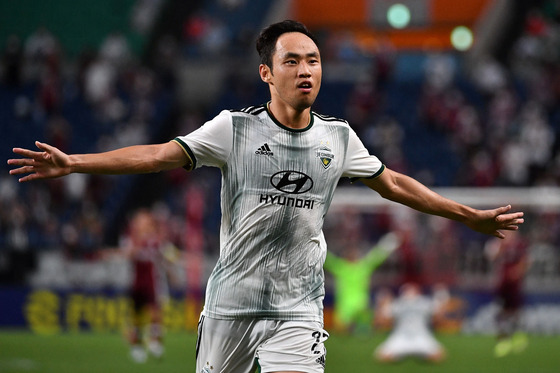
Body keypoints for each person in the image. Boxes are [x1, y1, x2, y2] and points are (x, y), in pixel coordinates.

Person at [8, 20, 524, 373]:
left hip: (299, 307)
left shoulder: (338, 138)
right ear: (266, 73)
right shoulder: (232, 130)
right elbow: (159, 155)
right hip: (231, 303)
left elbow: (393, 183)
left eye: (314, 61)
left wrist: (467, 215)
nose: (307, 70)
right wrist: (75, 163)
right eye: (294, 61)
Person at [103, 208, 179, 363]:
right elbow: (128, 253)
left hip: (151, 282)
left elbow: (165, 256)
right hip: (136, 283)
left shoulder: (155, 240)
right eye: (140, 221)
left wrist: (172, 273)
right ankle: (136, 347)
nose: (143, 224)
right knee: (136, 317)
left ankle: (154, 342)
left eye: (145, 221)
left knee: (155, 312)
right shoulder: (130, 238)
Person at [324, 232, 399, 334]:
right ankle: (360, 327)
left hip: (351, 305)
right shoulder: (357, 267)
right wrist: (389, 243)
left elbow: (327, 259)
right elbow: (376, 256)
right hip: (354, 304)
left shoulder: (344, 268)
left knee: (345, 330)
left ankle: (359, 327)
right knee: (346, 329)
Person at [373, 283, 447, 363]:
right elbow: (382, 321)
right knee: (382, 356)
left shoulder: (424, 302)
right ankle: (406, 354)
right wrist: (382, 305)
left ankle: (413, 353)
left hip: (421, 336)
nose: (410, 293)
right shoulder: (398, 303)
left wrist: (440, 302)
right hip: (400, 336)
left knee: (439, 356)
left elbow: (438, 318)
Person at [485, 233, 529, 357]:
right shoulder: (496, 243)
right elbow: (491, 258)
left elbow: (525, 260)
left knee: (515, 310)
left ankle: (518, 336)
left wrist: (517, 272)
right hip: (501, 283)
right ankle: (503, 338)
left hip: (514, 284)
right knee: (500, 310)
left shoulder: (520, 244)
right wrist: (501, 246)